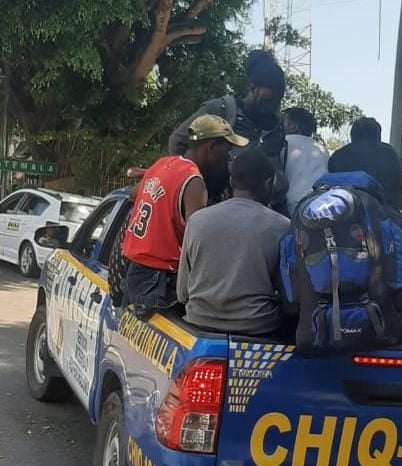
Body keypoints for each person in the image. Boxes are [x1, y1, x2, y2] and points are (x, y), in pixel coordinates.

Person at [122, 115, 248, 313]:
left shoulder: (162, 164)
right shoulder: (194, 183)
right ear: (212, 147)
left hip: (136, 273)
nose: (228, 158)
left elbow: (132, 194)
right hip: (159, 282)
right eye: (227, 150)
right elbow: (198, 241)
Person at [177, 148, 290, 336]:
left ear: (231, 182)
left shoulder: (197, 220)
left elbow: (182, 294)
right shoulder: (282, 227)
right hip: (259, 327)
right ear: (269, 183)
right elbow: (290, 298)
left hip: (199, 323)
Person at [168, 50, 288, 211]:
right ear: (253, 88)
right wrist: (191, 185)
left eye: (277, 101)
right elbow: (177, 141)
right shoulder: (221, 110)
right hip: (206, 205)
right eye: (268, 98)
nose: (272, 105)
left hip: (247, 212)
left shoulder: (272, 126)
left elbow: (276, 183)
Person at [328, 117, 402, 210]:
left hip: (345, 214)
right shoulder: (391, 154)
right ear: (378, 135)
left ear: (352, 135)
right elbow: (400, 190)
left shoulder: (338, 156)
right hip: (385, 214)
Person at [282, 107, 329, 216]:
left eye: (282, 122)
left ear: (293, 127)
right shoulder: (323, 150)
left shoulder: (282, 144)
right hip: (320, 208)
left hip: (288, 210)